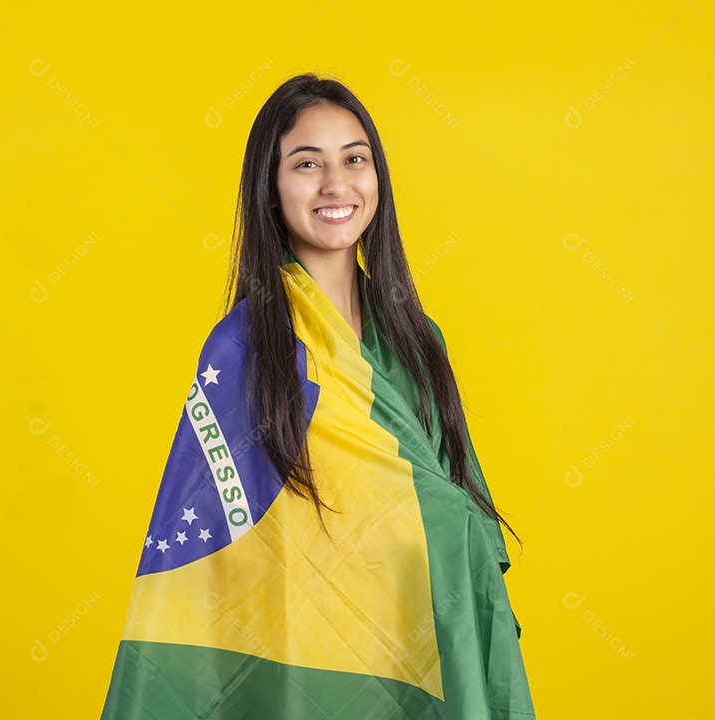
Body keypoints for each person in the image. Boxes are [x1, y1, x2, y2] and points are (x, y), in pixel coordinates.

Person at [101, 72, 536, 719]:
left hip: (425, 645)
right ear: (271, 192)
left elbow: (457, 512)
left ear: (377, 179)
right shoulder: (245, 348)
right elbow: (218, 560)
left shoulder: (418, 342)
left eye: (354, 159)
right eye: (308, 164)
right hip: (307, 674)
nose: (336, 185)